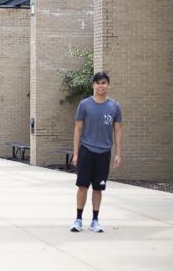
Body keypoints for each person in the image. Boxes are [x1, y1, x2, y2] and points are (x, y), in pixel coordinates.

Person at [70, 71, 122, 233]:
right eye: (98, 83)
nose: (101, 86)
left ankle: (95, 221)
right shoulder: (84, 105)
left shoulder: (114, 106)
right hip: (86, 150)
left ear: (108, 85)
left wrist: (118, 153)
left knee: (98, 188)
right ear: (93, 85)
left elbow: (118, 131)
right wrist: (76, 153)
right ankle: (78, 219)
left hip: (104, 152)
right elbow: (78, 129)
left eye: (104, 83)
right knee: (83, 186)